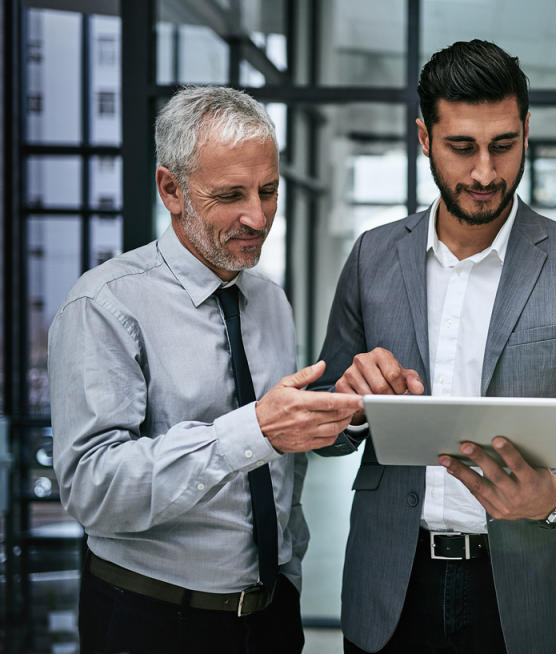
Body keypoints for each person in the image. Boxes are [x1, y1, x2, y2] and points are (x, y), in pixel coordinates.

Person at [311, 40, 556, 654]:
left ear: (527, 130)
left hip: (522, 592)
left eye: (504, 145)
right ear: (423, 137)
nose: (485, 173)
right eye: (461, 147)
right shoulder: (372, 256)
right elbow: (327, 431)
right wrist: (346, 401)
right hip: (390, 583)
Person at [48, 85, 363, 653]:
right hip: (152, 620)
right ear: (172, 189)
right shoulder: (104, 305)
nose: (259, 215)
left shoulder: (270, 299)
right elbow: (92, 487)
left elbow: (278, 466)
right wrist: (252, 432)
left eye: (269, 190)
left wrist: (349, 409)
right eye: (231, 194)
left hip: (268, 616)